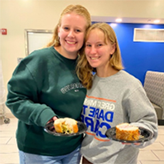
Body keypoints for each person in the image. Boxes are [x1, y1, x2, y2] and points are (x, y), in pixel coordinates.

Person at [5, 4, 91, 164]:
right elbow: (14, 99)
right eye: (66, 28)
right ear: (58, 30)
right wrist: (44, 115)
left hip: (73, 148)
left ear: (86, 35)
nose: (71, 35)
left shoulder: (86, 65)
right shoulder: (38, 60)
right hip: (39, 150)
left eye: (78, 30)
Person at [76, 23, 158, 164]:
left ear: (112, 48)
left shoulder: (130, 85)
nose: (92, 51)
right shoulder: (87, 82)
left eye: (99, 45)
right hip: (88, 159)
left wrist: (136, 135)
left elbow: (149, 123)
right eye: (88, 45)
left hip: (118, 160)